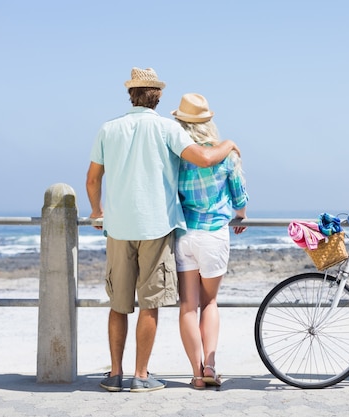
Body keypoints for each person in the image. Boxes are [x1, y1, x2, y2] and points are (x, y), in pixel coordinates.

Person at [86, 68, 240, 393]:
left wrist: (97, 211)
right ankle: (141, 376)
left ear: (131, 94)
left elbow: (92, 179)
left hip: (117, 228)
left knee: (118, 303)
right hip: (156, 227)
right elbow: (205, 158)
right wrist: (228, 144)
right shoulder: (167, 129)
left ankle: (115, 374)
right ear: (157, 97)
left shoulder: (108, 129)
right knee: (149, 303)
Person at [171, 93, 248, 389]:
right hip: (214, 233)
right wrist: (240, 215)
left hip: (184, 234)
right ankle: (211, 367)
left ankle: (195, 372)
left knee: (187, 305)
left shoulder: (177, 156)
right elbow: (239, 196)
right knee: (210, 302)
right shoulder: (225, 154)